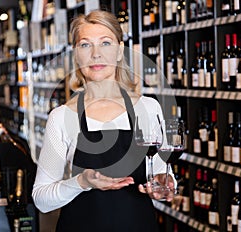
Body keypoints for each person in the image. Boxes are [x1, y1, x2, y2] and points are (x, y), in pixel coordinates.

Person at [32, 10, 176, 232]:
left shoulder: (148, 108)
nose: (96, 54)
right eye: (86, 45)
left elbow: (160, 171)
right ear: (76, 54)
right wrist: (82, 182)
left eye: (105, 43)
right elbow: (41, 200)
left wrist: (165, 184)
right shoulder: (62, 116)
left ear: (119, 51)